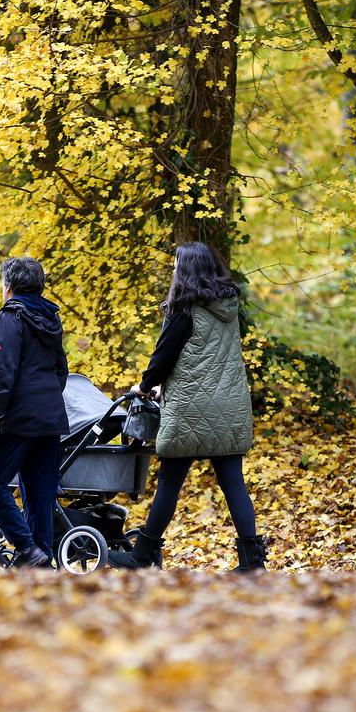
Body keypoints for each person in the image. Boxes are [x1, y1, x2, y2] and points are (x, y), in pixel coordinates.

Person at [108, 241, 267, 572]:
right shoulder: (227, 306)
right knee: (234, 483)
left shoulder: (184, 309)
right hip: (230, 405)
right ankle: (253, 562)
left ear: (189, 270)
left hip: (191, 408)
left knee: (169, 482)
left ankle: (142, 556)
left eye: (178, 265)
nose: (174, 270)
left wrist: (145, 385)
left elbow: (163, 356)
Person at [0, 257, 69, 569]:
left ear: (8, 286)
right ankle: (41, 563)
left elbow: (3, 375)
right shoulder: (51, 320)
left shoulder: (10, 320)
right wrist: (45, 401)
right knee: (39, 493)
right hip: (49, 418)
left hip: (15, 419)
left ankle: (27, 549)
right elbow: (61, 372)